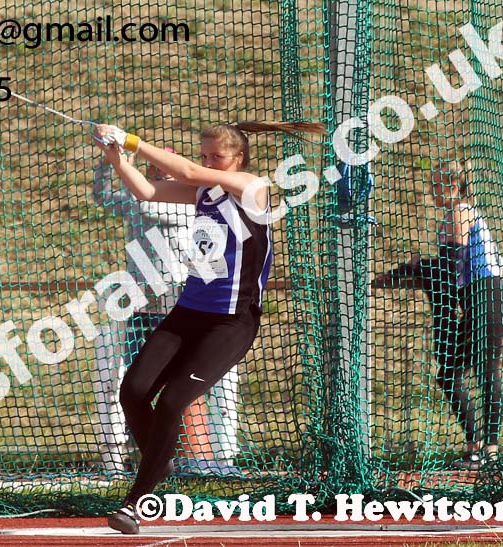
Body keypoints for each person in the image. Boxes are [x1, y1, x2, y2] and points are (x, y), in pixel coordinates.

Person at [92, 120, 324, 534]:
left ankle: (136, 500)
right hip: (188, 313)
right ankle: (157, 466)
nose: (208, 162)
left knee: (171, 403)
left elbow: (188, 173)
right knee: (133, 392)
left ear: (239, 158)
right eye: (205, 155)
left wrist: (132, 141)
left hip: (231, 323)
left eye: (217, 156)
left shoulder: (254, 188)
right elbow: (147, 192)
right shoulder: (205, 193)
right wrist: (117, 159)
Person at [91, 150, 241, 477]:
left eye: (167, 173)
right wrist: (108, 159)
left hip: (186, 306)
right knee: (115, 377)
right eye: (155, 172)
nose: (162, 178)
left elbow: (151, 204)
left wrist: (125, 164)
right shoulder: (138, 199)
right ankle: (114, 461)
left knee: (219, 377)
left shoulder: (192, 205)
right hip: (141, 307)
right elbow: (103, 196)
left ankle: (224, 457)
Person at [374, 159, 503, 469]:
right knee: (449, 373)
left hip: (486, 294)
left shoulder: (460, 212)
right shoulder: (449, 217)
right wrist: (403, 273)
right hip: (469, 298)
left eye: (436, 184)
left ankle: (491, 450)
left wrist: (412, 268)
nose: (432, 191)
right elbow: (444, 269)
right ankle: (474, 444)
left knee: (486, 369)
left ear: (451, 185)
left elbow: (450, 264)